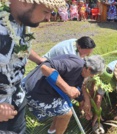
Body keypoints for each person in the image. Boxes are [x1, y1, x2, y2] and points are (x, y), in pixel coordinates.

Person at [0, 0, 65, 133]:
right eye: (45, 11)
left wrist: (40, 60)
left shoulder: (21, 20)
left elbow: (20, 46)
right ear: (25, 2)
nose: (48, 18)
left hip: (17, 99)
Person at [23, 54, 105, 134]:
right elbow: (45, 67)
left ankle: (52, 130)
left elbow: (77, 88)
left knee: (62, 104)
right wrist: (67, 89)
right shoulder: (75, 65)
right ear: (89, 69)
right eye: (93, 74)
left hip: (45, 90)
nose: (92, 76)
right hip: (34, 89)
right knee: (67, 113)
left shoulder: (81, 71)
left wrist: (84, 102)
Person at [43, 36, 96, 133]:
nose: (87, 55)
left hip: (57, 68)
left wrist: (84, 99)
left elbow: (78, 82)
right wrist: (80, 98)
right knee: (64, 101)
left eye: (89, 53)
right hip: (47, 69)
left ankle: (54, 127)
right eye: (87, 53)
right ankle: (55, 127)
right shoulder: (70, 55)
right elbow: (71, 82)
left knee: (65, 97)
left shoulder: (77, 43)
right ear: (79, 47)